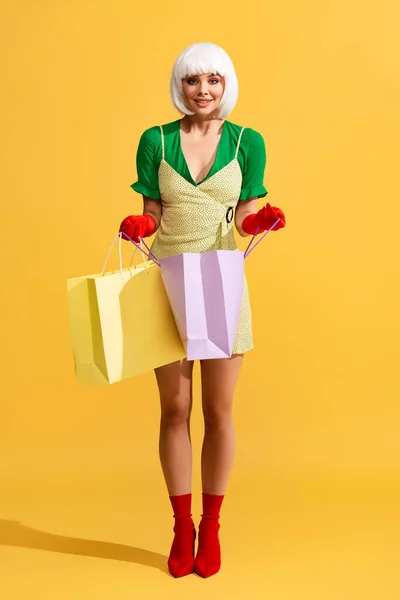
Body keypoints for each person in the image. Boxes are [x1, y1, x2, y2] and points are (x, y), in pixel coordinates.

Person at [119, 42, 286, 578]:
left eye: (214, 80)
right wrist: (140, 226)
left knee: (218, 410)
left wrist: (260, 223)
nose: (204, 90)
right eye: (194, 81)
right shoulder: (156, 140)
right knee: (174, 409)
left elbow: (245, 217)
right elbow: (152, 209)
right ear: (181, 86)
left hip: (219, 278)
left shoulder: (247, 141)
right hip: (166, 280)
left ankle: (210, 527)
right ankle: (180, 525)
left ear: (226, 85)